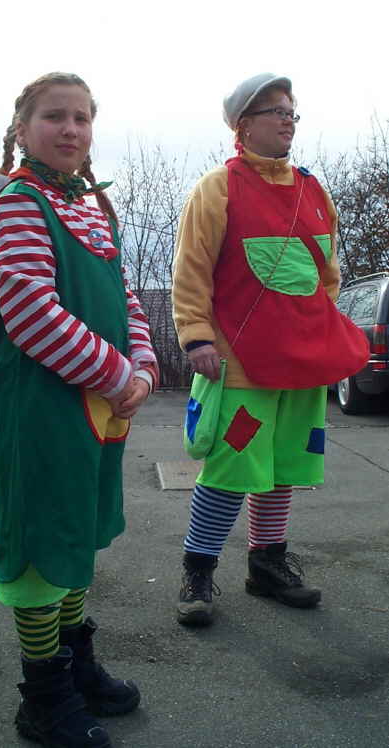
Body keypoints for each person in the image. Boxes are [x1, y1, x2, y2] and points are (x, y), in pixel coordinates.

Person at [0, 72, 158, 748]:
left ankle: (76, 662)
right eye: (55, 116)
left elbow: (125, 296)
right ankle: (43, 694)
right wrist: (115, 374)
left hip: (98, 405)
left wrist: (144, 367)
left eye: (82, 118)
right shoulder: (20, 202)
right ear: (22, 129)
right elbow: (30, 310)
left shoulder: (90, 205)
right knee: (41, 538)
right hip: (44, 407)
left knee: (78, 529)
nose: (71, 129)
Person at [172, 72, 369, 627]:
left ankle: (267, 564)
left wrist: (317, 329)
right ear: (243, 125)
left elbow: (326, 275)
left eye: (291, 112)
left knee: (284, 465)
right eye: (276, 111)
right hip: (240, 364)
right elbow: (191, 269)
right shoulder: (218, 188)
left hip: (303, 363)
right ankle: (197, 570)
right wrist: (197, 336)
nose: (288, 120)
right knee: (231, 467)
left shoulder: (313, 190)